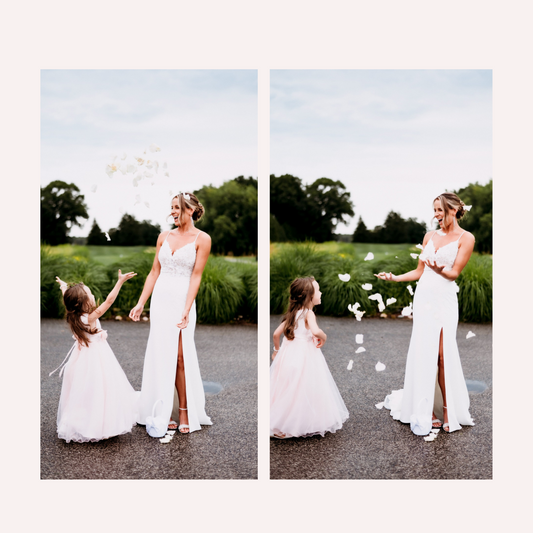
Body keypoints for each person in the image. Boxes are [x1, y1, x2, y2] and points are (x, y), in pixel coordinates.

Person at [376, 192, 476, 435]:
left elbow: (454, 274)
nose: (436, 215)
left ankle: (447, 409)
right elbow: (420, 270)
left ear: (453, 210)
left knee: (442, 355)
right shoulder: (429, 236)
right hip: (424, 299)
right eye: (434, 210)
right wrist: (395, 277)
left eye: (440, 210)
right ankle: (426, 409)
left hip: (444, 299)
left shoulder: (466, 238)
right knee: (425, 353)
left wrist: (441, 270)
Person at [130, 192, 212, 435]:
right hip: (161, 301)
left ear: (190, 209)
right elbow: (154, 271)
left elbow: (196, 275)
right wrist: (141, 302)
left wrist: (187, 309)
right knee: (161, 353)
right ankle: (163, 408)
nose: (173, 211)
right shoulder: (163, 236)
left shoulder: (202, 238)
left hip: (182, 301)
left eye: (177, 207)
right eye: (172, 207)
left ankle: (184, 410)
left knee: (180, 357)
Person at [53, 271, 140, 443]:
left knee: (84, 390)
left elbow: (67, 298)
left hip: (80, 358)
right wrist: (120, 282)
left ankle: (81, 421)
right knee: (101, 387)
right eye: (90, 294)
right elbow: (109, 301)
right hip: (96, 357)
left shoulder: (73, 314)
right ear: (82, 302)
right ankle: (100, 424)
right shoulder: (91, 317)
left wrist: (64, 287)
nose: (93, 295)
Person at [270, 277, 349, 438]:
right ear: (309, 296)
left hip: (288, 354)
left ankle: (282, 423)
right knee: (306, 387)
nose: (321, 293)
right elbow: (315, 331)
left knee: (288, 388)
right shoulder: (308, 313)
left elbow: (276, 334)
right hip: (304, 356)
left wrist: (276, 351)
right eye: (318, 290)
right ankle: (299, 422)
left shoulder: (292, 314)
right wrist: (324, 336)